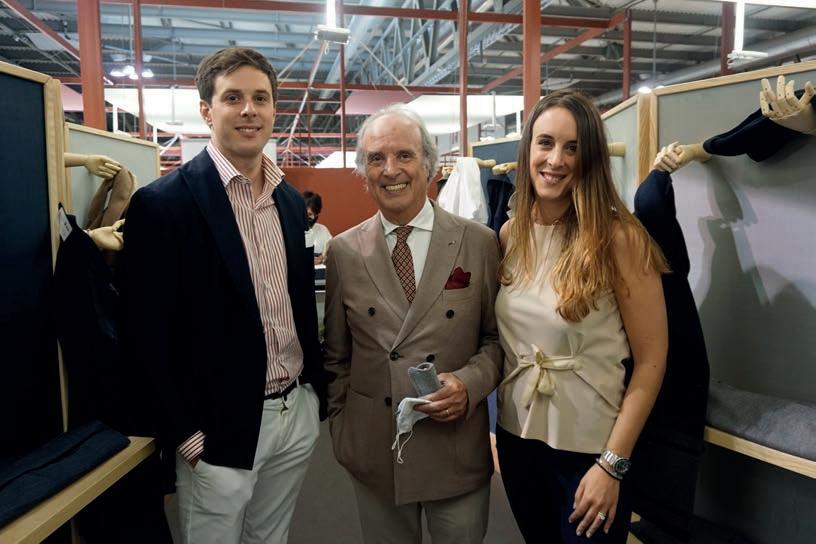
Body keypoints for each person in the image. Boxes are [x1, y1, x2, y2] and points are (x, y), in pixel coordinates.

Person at [118, 47, 327, 544]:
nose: (249, 110)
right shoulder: (161, 205)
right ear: (207, 111)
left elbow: (298, 303)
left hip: (294, 413)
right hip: (217, 428)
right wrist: (185, 433)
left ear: (274, 110)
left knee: (269, 538)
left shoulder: (288, 201)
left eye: (261, 98)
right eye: (233, 98)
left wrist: (313, 398)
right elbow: (142, 335)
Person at [494, 89, 668, 543]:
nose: (555, 159)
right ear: (527, 149)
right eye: (546, 143)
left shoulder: (620, 238)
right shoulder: (511, 234)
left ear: (590, 158)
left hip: (591, 452)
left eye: (572, 148)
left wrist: (612, 464)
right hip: (517, 441)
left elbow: (651, 362)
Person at [323, 104, 503, 544]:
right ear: (363, 173)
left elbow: (497, 339)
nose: (390, 170)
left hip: (455, 448)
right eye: (376, 158)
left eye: (404, 155)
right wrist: (344, 429)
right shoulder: (344, 252)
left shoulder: (478, 242)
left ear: (428, 164)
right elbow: (336, 356)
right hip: (376, 450)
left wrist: (469, 384)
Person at [303, 190, 333, 265]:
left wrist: (323, 257)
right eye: (303, 213)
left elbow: (330, 251)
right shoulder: (290, 230)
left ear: (316, 214)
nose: (305, 217)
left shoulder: (323, 230)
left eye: (309, 214)